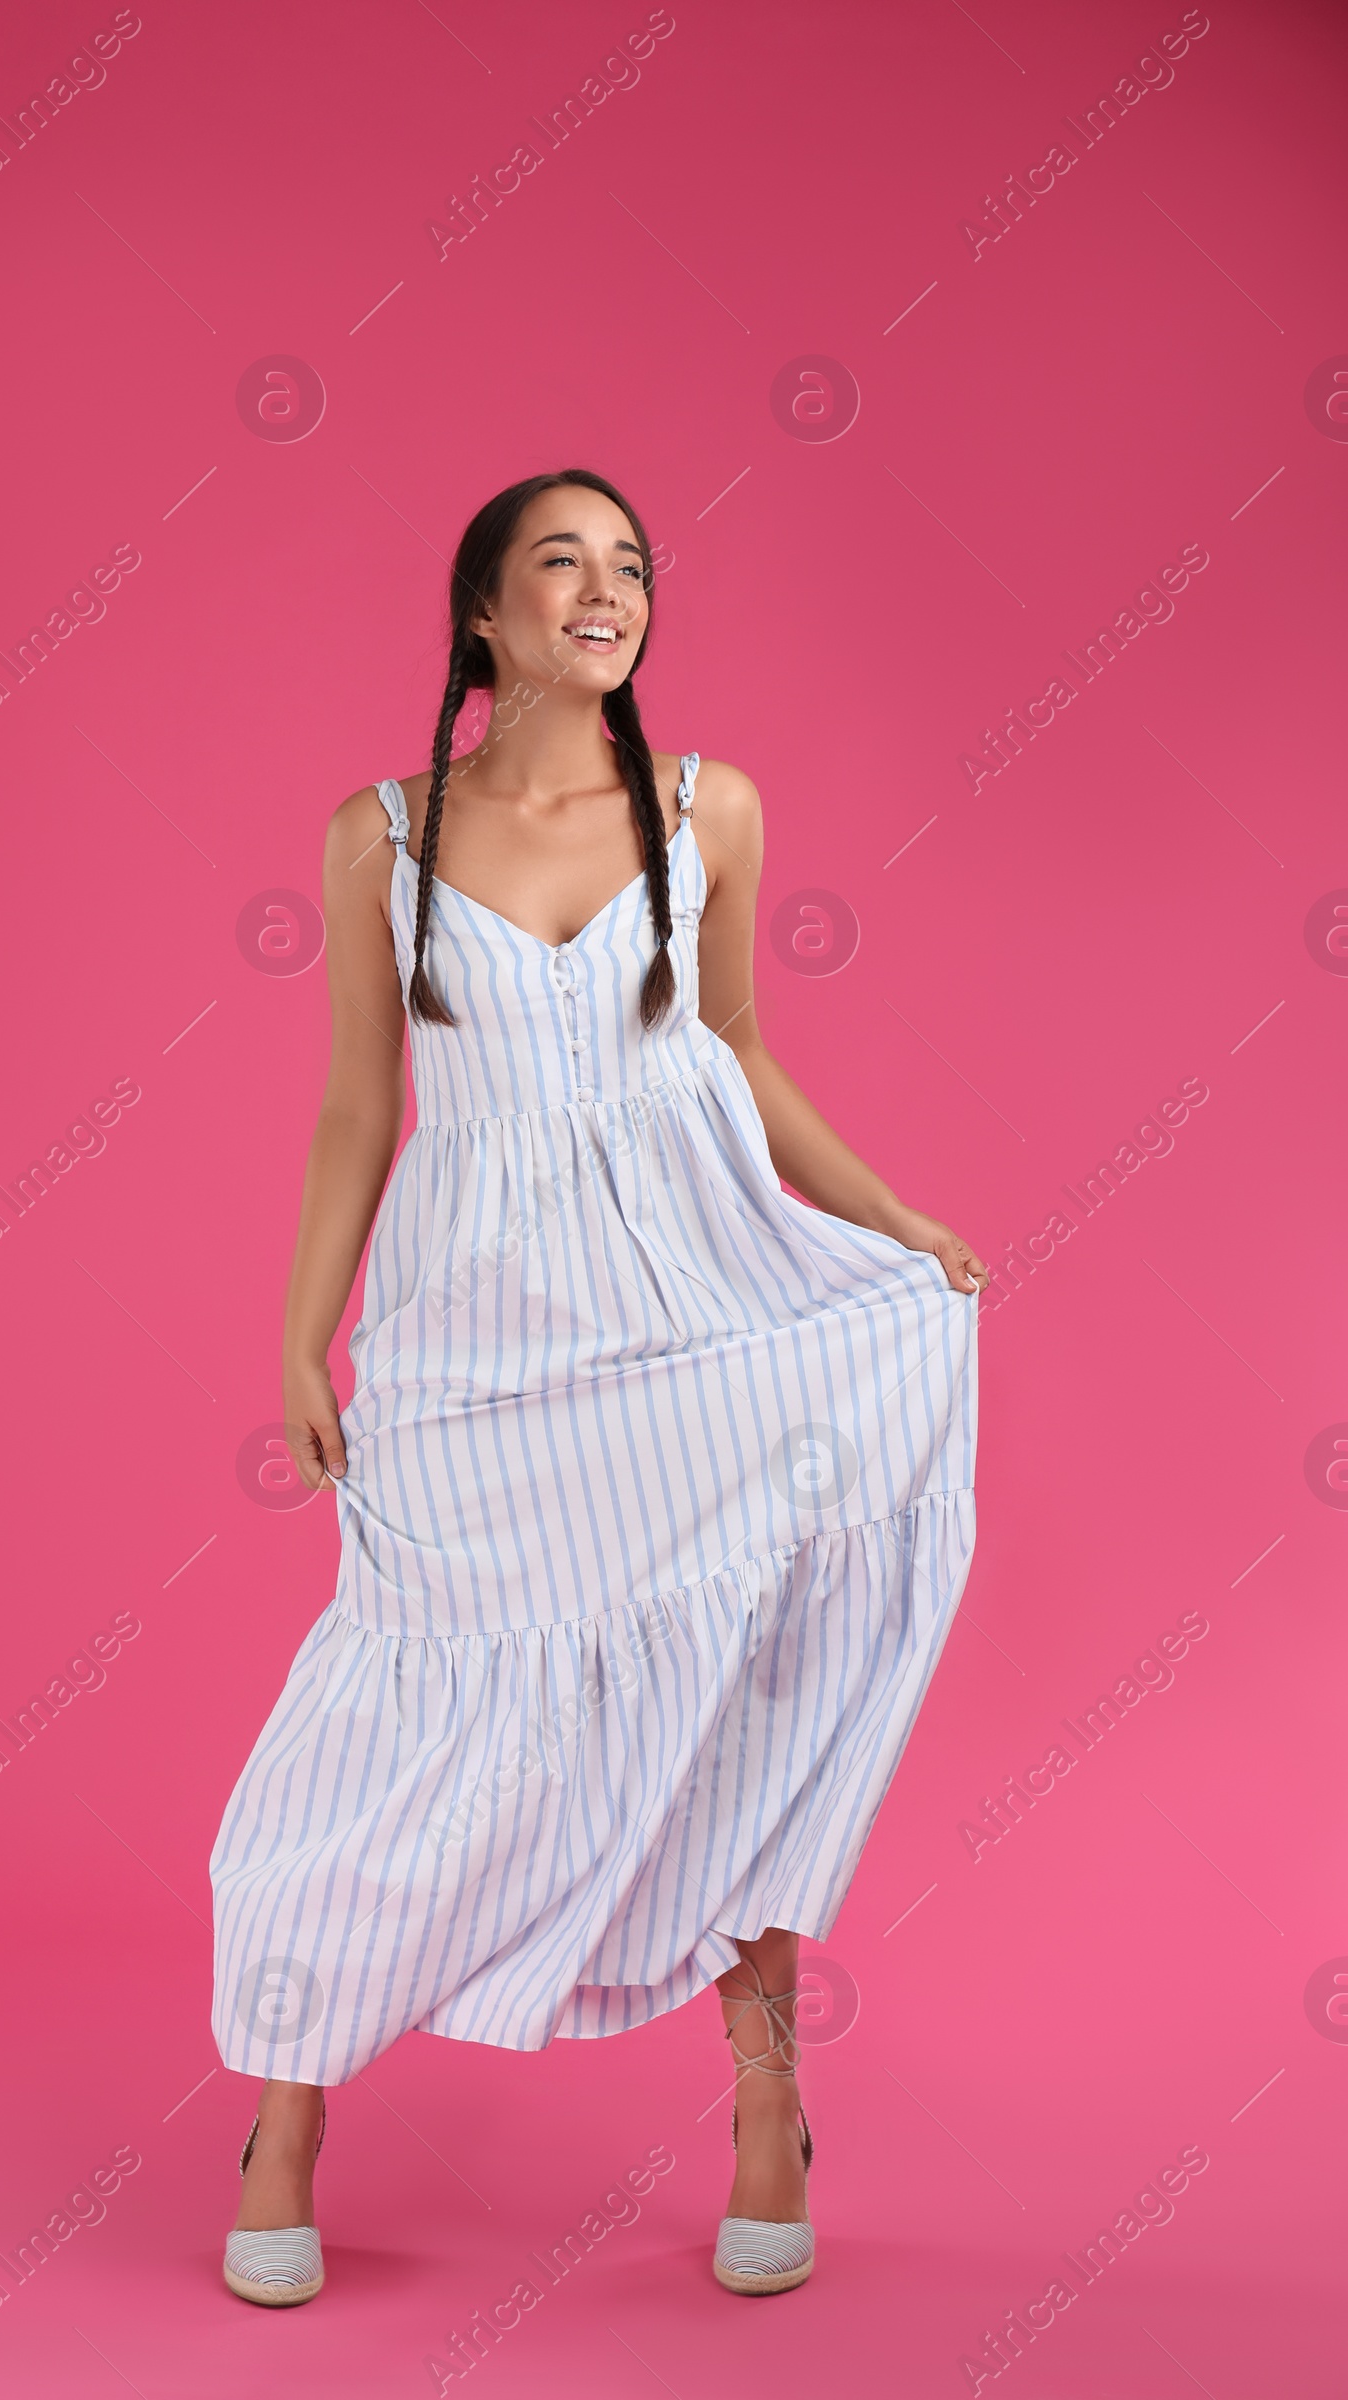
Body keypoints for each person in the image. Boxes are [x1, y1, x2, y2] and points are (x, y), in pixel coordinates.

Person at [210, 468, 985, 2307]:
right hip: (473, 1348)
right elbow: (354, 1112)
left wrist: (889, 1215)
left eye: (629, 565)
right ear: (482, 614)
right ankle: (284, 2123)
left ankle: (767, 2106)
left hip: (694, 1311)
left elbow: (734, 1047)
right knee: (393, 1713)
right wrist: (297, 1337)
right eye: (560, 561)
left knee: (743, 1681)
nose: (605, 588)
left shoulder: (710, 806)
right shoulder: (379, 836)